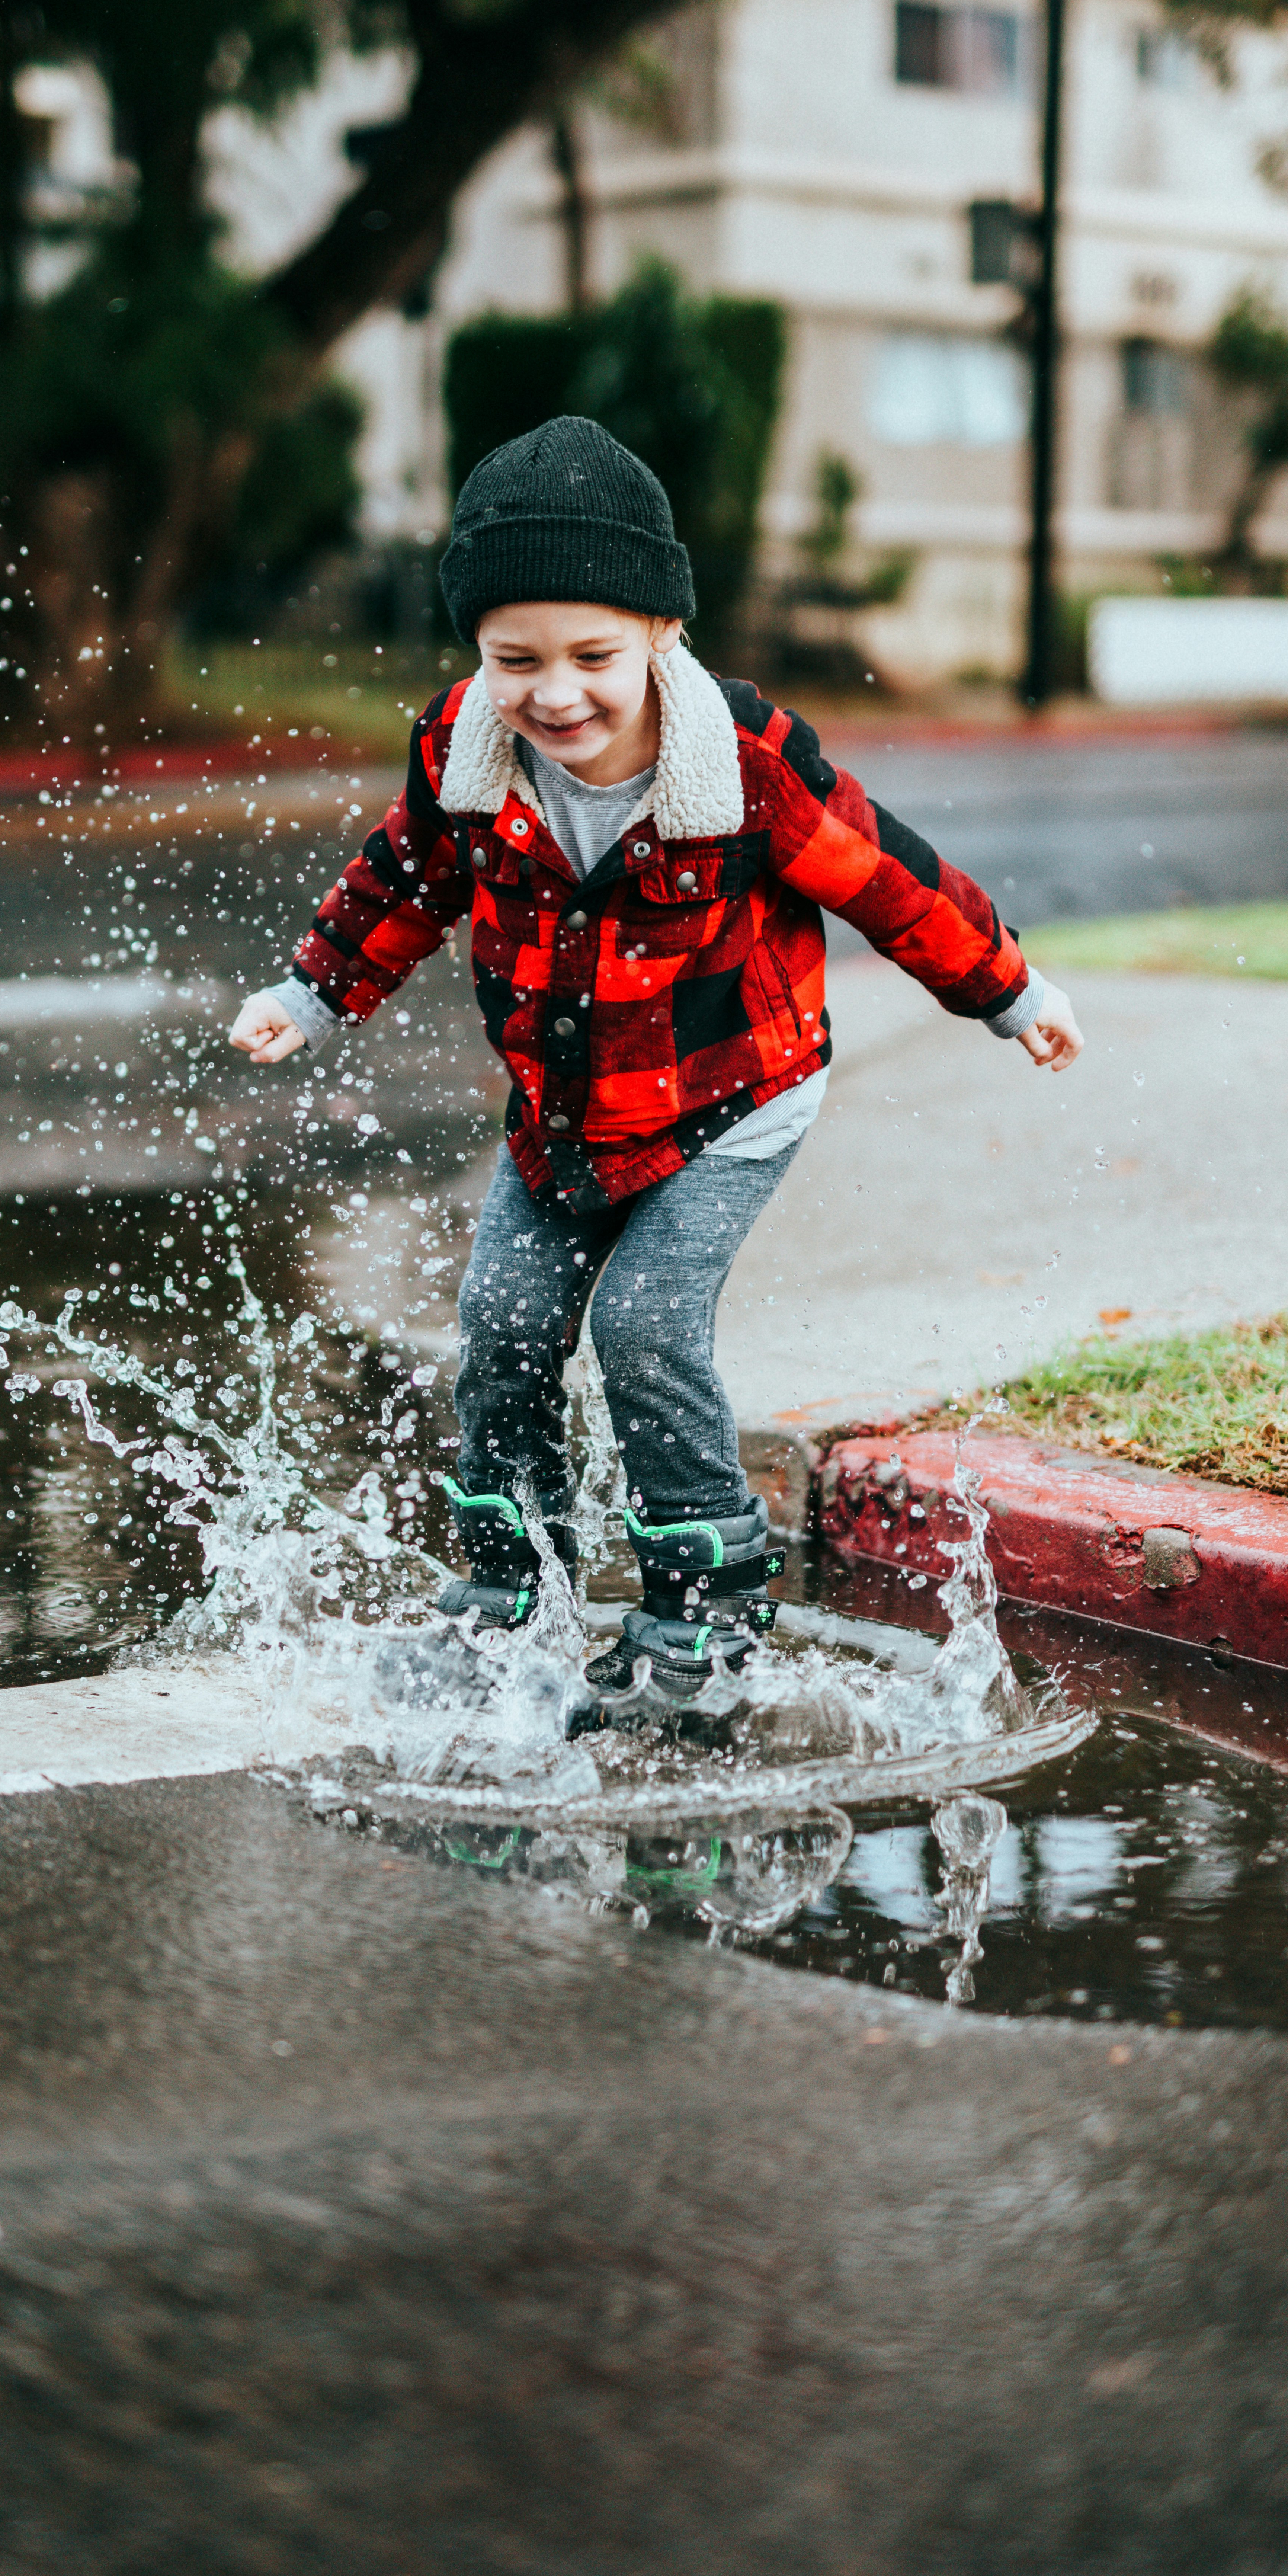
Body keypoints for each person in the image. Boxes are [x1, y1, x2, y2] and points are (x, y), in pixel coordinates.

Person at [230, 415, 1083, 1732]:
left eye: (594, 657)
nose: (555, 693)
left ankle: (707, 1591)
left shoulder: (742, 760)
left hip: (734, 1103)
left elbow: (887, 878)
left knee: (642, 1325)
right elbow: (404, 879)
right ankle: (513, 1585)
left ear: (663, 638)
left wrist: (1006, 991)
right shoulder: (465, 748)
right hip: (563, 1121)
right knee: (504, 1324)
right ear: (477, 651)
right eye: (518, 659)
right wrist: (314, 993)